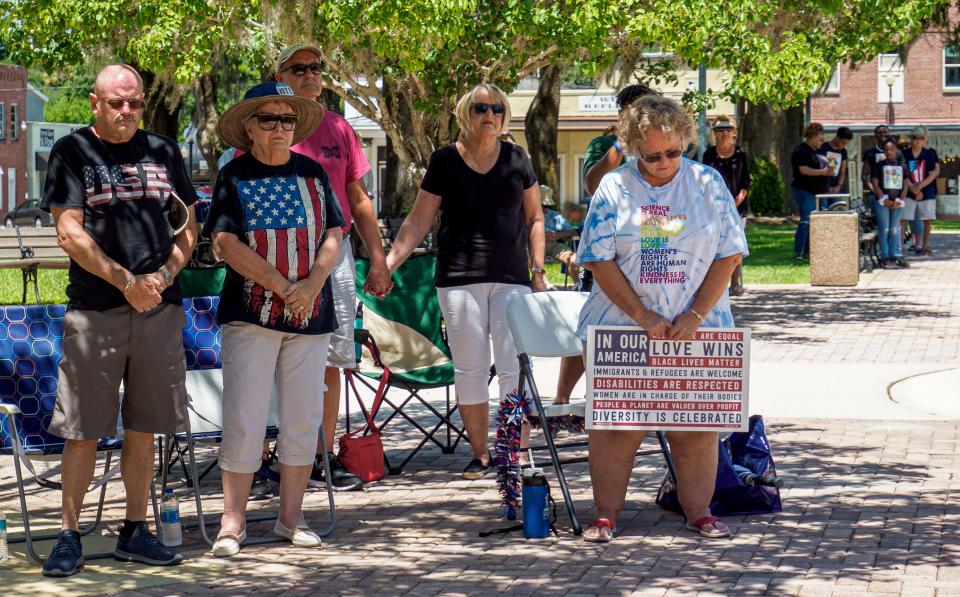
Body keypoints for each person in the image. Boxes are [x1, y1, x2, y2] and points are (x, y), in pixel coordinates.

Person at [39, 64, 198, 577]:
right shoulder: (72, 152)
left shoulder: (164, 151)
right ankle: (69, 534)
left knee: (145, 427)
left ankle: (135, 529)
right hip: (96, 308)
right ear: (94, 102)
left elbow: (188, 226)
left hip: (159, 308)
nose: (125, 111)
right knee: (83, 429)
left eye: (133, 102)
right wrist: (125, 280)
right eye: (115, 102)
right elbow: (69, 231)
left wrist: (164, 274)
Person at [575, 94, 747, 543]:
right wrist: (642, 314)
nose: (664, 162)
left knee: (694, 426)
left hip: (699, 327)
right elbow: (598, 258)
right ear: (633, 148)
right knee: (617, 426)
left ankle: (700, 511)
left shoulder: (708, 183)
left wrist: (694, 313)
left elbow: (728, 255)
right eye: (651, 156)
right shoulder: (614, 186)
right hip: (622, 326)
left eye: (673, 152)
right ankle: (606, 514)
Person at [203, 82, 345, 557]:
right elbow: (225, 243)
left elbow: (334, 232)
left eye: (287, 120)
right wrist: (285, 288)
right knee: (244, 415)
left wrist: (312, 284)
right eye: (269, 119)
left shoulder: (314, 172)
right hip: (251, 314)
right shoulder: (234, 177)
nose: (280, 128)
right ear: (250, 126)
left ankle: (292, 517)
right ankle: (232, 522)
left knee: (303, 418)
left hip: (312, 314)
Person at [248, 45, 393, 498]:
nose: (312, 74)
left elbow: (359, 198)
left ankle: (319, 456)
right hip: (273, 259)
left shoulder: (339, 129)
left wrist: (379, 256)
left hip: (335, 256)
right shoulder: (262, 123)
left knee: (330, 358)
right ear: (280, 74)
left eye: (317, 67)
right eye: (300, 68)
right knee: (269, 356)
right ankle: (264, 459)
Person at [385, 83, 546, 478]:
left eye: (495, 107)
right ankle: (480, 454)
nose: (488, 114)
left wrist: (539, 271)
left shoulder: (518, 158)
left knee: (513, 366)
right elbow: (418, 221)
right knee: (471, 368)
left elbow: (535, 218)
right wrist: (385, 264)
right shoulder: (444, 161)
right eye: (479, 108)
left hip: (512, 278)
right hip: (457, 280)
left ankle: (514, 450)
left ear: (504, 114)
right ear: (465, 115)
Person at [702, 115, 749, 296]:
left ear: (734, 133)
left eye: (728, 130)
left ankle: (735, 283)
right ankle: (715, 284)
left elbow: (745, 183)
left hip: (737, 207)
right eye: (720, 130)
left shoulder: (740, 155)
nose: (724, 133)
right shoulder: (709, 154)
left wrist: (736, 200)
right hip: (713, 207)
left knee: (734, 246)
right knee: (714, 246)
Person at [791, 123, 832, 260]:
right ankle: (798, 252)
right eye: (820, 139)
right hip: (806, 190)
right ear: (812, 137)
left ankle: (811, 252)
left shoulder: (818, 151)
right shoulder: (801, 150)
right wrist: (822, 172)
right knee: (806, 222)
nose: (822, 142)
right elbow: (803, 170)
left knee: (818, 223)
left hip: (821, 191)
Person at [869, 137, 909, 269]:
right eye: (886, 150)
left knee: (895, 229)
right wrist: (883, 199)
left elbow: (905, 184)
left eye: (892, 149)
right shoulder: (878, 165)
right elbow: (875, 183)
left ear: (896, 150)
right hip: (882, 202)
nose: (889, 152)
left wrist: (900, 200)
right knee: (884, 229)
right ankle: (885, 256)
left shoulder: (902, 166)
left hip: (897, 202)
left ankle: (896, 254)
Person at [902, 126, 940, 255]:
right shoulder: (904, 154)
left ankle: (924, 246)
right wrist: (913, 188)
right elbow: (902, 173)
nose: (918, 141)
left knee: (927, 219)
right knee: (903, 219)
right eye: (915, 138)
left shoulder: (930, 153)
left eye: (921, 138)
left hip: (927, 190)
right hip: (908, 190)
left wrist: (919, 187)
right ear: (910, 139)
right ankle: (899, 248)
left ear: (925, 139)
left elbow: (933, 173)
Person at [541, 185, 579, 284]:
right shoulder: (525, 214)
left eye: (547, 205)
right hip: (533, 245)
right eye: (543, 205)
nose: (545, 208)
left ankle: (579, 286)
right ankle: (546, 285)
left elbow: (574, 231)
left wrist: (558, 235)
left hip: (554, 244)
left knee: (573, 259)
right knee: (533, 258)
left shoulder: (555, 215)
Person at [819, 126, 853, 196]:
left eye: (845, 144)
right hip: (822, 186)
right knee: (823, 206)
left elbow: (842, 171)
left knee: (836, 206)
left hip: (836, 186)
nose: (843, 146)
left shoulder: (843, 151)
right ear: (837, 137)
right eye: (843, 143)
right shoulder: (823, 147)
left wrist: (839, 186)